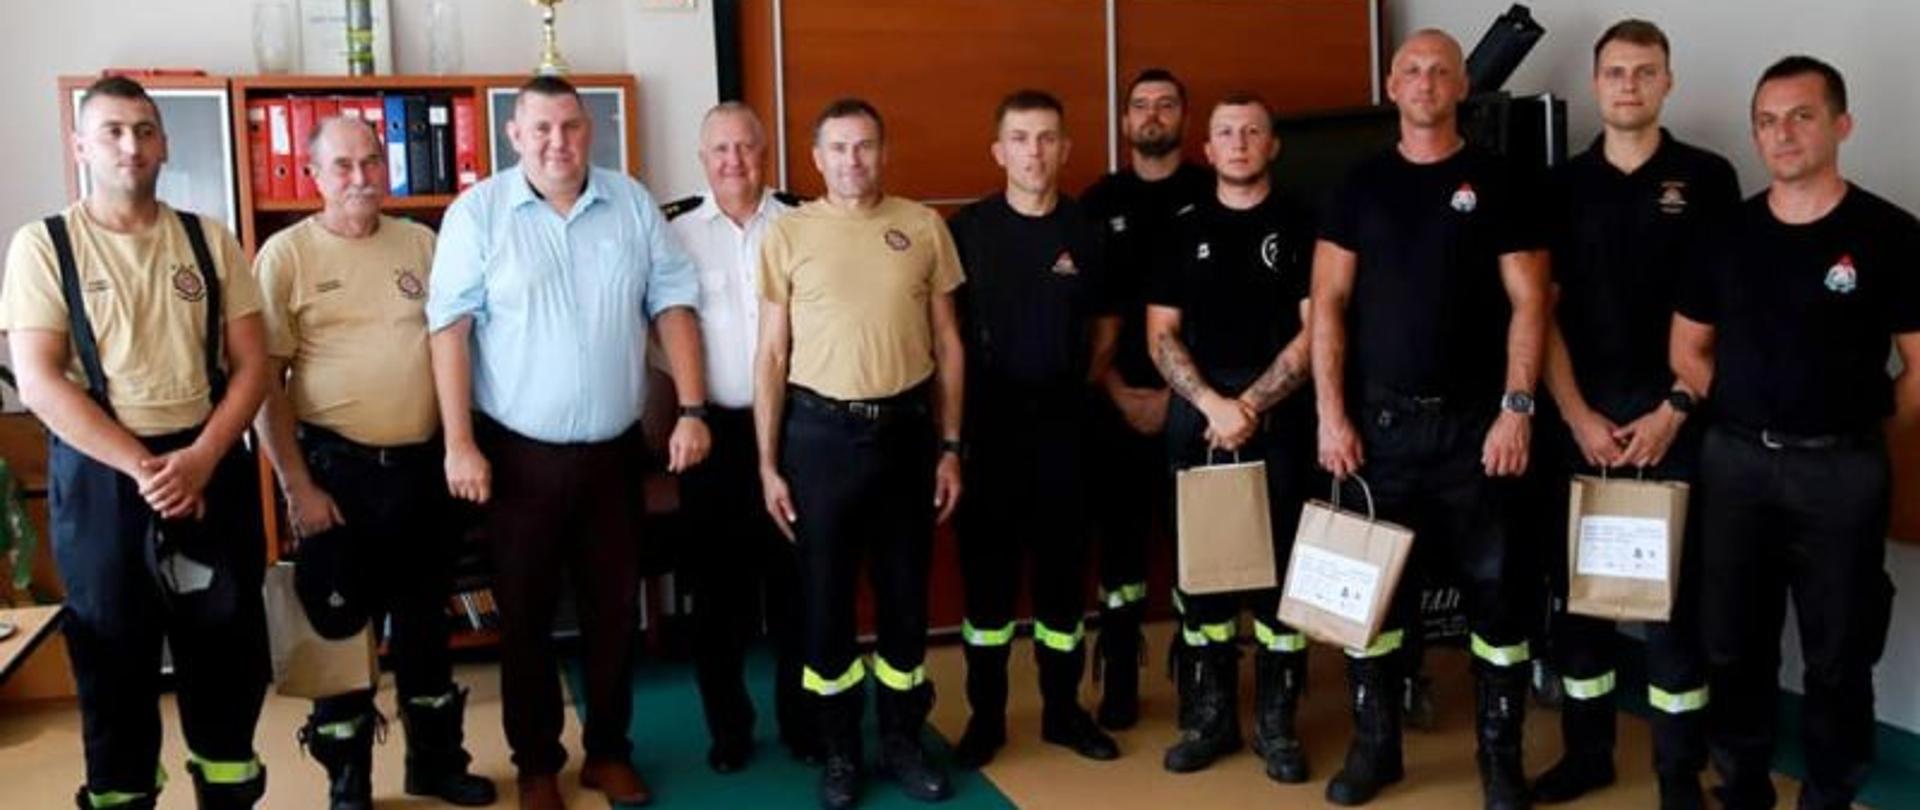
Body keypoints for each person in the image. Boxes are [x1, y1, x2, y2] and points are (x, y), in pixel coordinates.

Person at [425, 75, 711, 810]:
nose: (559, 142)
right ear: (515, 135)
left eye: (572, 127)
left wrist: (692, 408)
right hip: (519, 456)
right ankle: (537, 764)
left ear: (590, 130)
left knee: (612, 611)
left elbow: (673, 303)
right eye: (542, 128)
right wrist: (459, 442)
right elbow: (448, 330)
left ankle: (608, 752)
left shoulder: (631, 203)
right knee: (525, 616)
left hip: (614, 453)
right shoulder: (478, 214)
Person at [1, 75, 273, 809]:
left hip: (208, 466)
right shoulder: (43, 245)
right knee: (113, 665)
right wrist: (145, 468)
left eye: (145, 130)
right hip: (105, 478)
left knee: (227, 660)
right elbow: (39, 381)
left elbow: (253, 366)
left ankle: (228, 792)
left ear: (164, 143)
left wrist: (202, 459)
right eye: (114, 131)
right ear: (81, 146)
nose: (132, 145)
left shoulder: (208, 239)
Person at [1310, 29, 1550, 809]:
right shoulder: (1359, 185)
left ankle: (1499, 762)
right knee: (1374, 602)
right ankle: (1376, 751)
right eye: (1411, 70)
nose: (1425, 82)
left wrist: (1517, 409)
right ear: (1391, 85)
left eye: (1439, 71)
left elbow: (1530, 301)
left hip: (1479, 432)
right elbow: (1329, 305)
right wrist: (1331, 415)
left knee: (1497, 599)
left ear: (1461, 86)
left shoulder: (1500, 180)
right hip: (1379, 432)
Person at [1672, 55, 1920, 810]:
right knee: (1731, 645)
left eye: (1801, 116)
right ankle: (1743, 787)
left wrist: (1862, 436)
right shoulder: (1726, 234)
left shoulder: (1891, 234)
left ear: (1841, 125)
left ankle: (1828, 795)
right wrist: (1747, 411)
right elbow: (1688, 349)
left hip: (1841, 473)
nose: (1782, 134)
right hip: (1737, 465)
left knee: (1839, 655)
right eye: (1767, 121)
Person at [252, 116, 497, 809]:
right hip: (336, 475)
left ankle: (436, 763)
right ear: (314, 175)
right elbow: (265, 384)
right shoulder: (287, 255)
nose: (360, 178)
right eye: (343, 166)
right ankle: (348, 778)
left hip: (421, 471)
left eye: (370, 162)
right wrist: (296, 486)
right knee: (339, 632)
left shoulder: (421, 242)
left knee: (425, 627)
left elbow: (453, 342)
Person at [1529, 20, 1739, 810]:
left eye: (1645, 71)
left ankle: (1678, 770)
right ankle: (1588, 755)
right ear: (1596, 84)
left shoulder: (1708, 178)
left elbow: (1725, 312)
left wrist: (1673, 411)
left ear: (1667, 82)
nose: (1629, 85)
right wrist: (1577, 415)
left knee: (1672, 612)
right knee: (1580, 604)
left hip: (1674, 427)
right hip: (1580, 427)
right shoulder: (1558, 186)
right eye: (1615, 72)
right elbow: (1538, 314)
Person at [755, 98, 965, 810]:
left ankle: (902, 740)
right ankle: (841, 748)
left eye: (866, 145)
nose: (853, 160)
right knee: (824, 603)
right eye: (839, 148)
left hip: (907, 435)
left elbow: (949, 345)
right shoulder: (788, 234)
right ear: (817, 159)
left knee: (906, 597)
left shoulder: (923, 226)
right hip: (819, 439)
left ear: (884, 151)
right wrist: (767, 464)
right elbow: (771, 354)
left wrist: (951, 447)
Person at [945, 89, 1120, 769]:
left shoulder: (1088, 232)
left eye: (1047, 138)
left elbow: (1107, 327)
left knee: (1062, 586)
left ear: (1065, 148)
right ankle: (985, 719)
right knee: (987, 592)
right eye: (1020, 138)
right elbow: (945, 337)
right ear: (999, 151)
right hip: (988, 435)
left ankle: (1063, 713)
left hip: (1065, 435)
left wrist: (1074, 389)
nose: (1034, 152)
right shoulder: (967, 231)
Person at [1146, 93, 1317, 783]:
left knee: (1281, 581)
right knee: (1205, 581)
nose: (1239, 142)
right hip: (1200, 422)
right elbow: (1161, 334)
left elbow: (1318, 329)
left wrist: (1250, 403)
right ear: (1208, 149)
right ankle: (1211, 718)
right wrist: (1214, 405)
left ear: (1272, 145)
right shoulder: (1180, 229)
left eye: (1252, 131)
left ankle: (1278, 725)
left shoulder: (1304, 222)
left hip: (1283, 419)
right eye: (1226, 132)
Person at [661, 101, 813, 774]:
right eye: (720, 149)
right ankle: (729, 729)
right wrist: (686, 398)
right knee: (717, 597)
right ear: (703, 159)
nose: (733, 161)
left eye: (745, 147)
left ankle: (802, 723)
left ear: (765, 152)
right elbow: (653, 327)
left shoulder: (806, 222)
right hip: (713, 433)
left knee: (799, 589)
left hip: (799, 429)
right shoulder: (673, 231)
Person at [1078, 68, 1213, 729]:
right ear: (1125, 121)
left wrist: (1179, 395)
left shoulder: (1213, 193)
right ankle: (1121, 672)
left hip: (1201, 406)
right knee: (1121, 550)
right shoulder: (1097, 203)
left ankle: (1201, 681)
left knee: (1201, 551)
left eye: (1165, 104)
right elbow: (1082, 316)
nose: (1153, 115)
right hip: (1115, 404)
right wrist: (1119, 391)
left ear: (1184, 117)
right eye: (1141, 106)